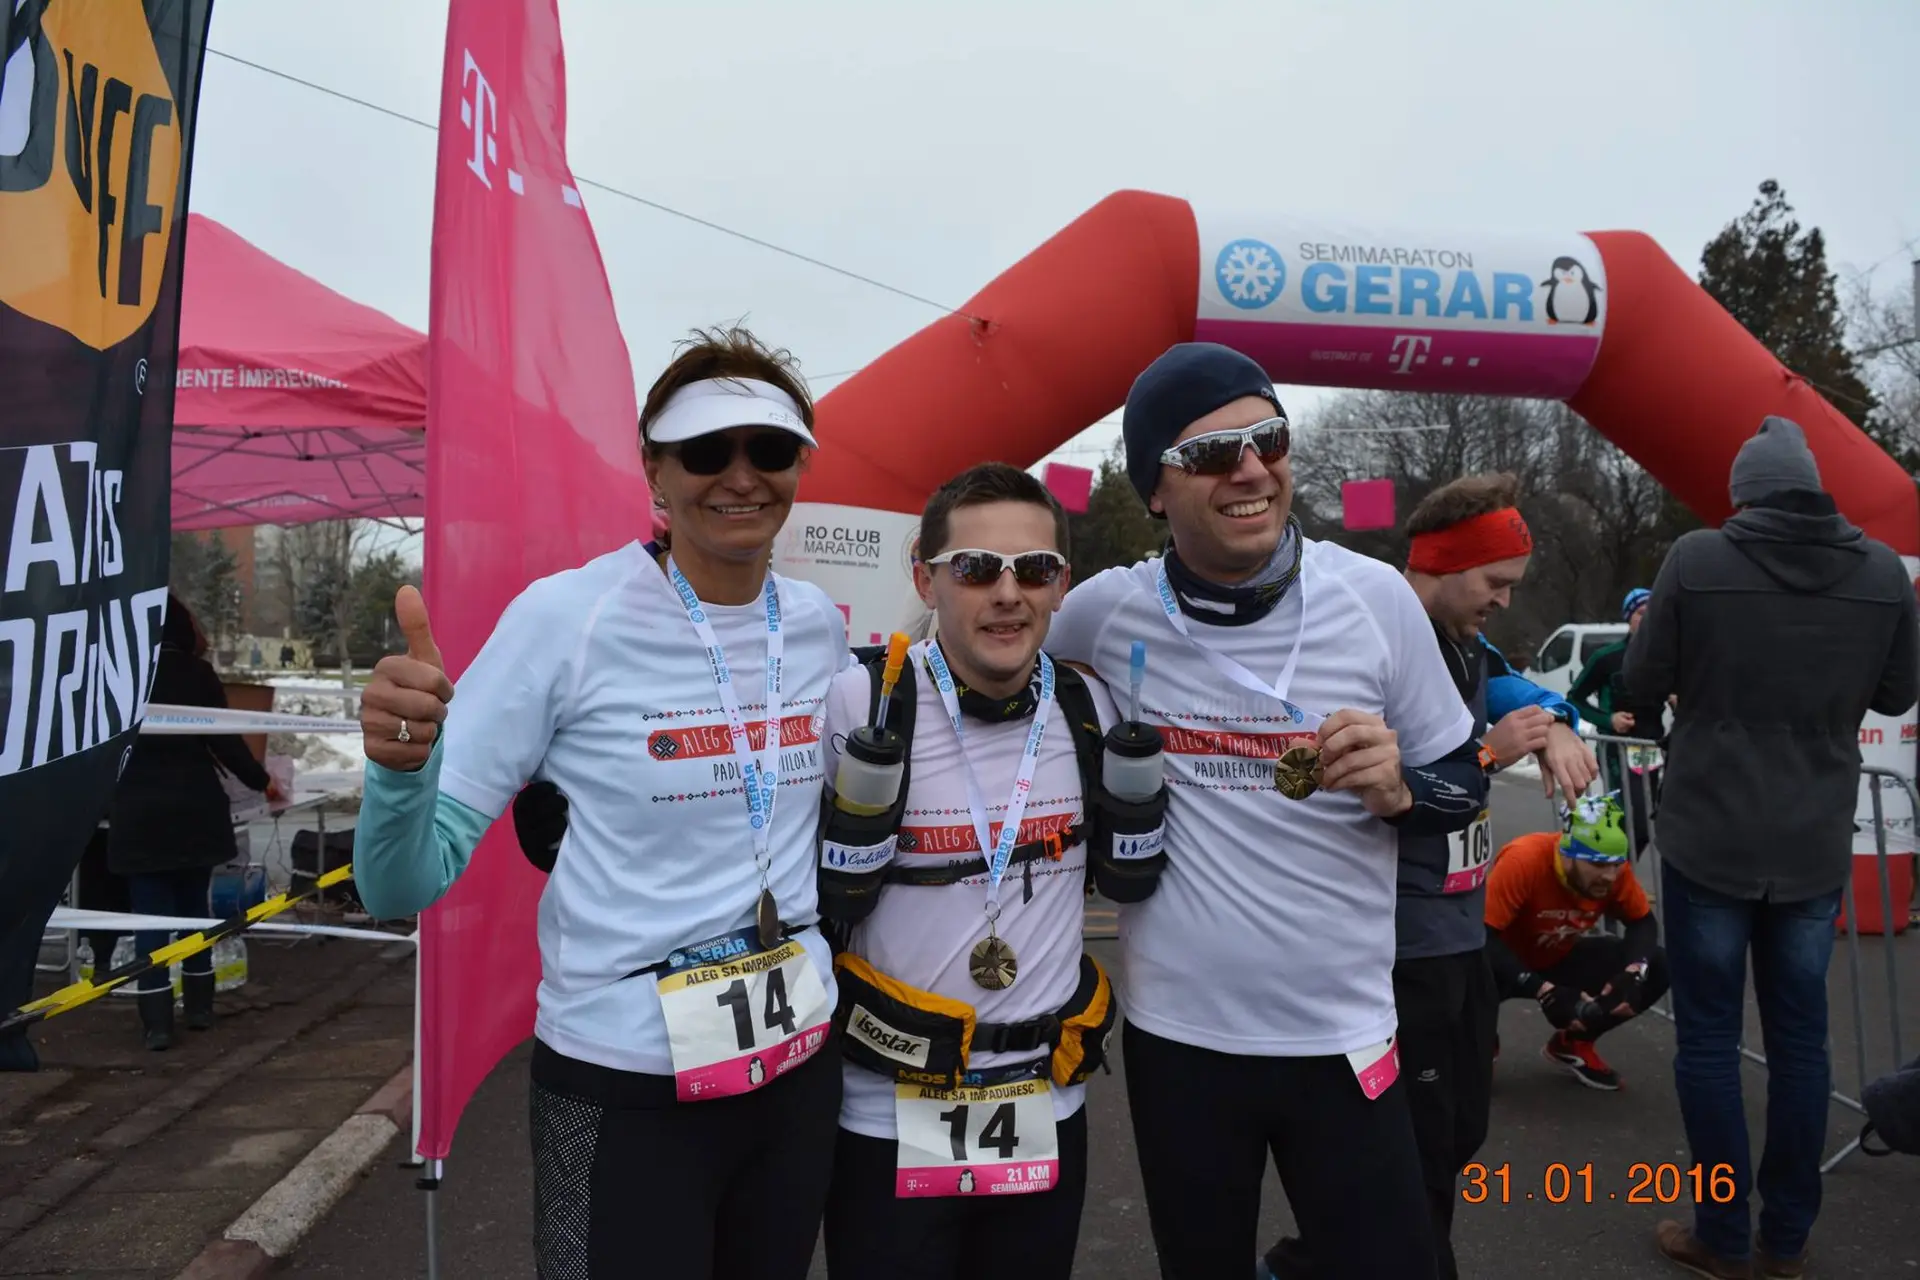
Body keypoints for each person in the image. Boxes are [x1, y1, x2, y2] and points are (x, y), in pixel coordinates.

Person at [353, 328, 851, 1279]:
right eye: (705, 451)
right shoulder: (566, 619)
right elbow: (397, 886)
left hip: (793, 1065)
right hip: (626, 1081)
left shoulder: (817, 625)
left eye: (770, 448)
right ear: (654, 471)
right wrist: (400, 774)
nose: (741, 475)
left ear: (798, 467)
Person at [1046, 342, 1488, 1280]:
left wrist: (1404, 790)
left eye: (1269, 439)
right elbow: (988, 662)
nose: (1250, 469)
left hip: (1346, 1037)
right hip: (1183, 1042)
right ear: (1154, 488)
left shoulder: (1373, 598)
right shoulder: (1102, 614)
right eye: (1211, 453)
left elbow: (1467, 781)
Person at [814, 463, 1156, 1279]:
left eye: (1033, 569)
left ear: (1062, 585)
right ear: (924, 580)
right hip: (888, 1113)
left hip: (1044, 1103)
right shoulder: (860, 702)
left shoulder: (1091, 709)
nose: (1008, 594)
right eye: (975, 569)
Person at [1264, 473, 1596, 1280]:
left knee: (1456, 1136)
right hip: (1396, 945)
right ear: (1445, 565)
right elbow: (1386, 780)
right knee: (1415, 1160)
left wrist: (1554, 723)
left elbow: (1510, 685)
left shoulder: (1462, 642)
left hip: (1459, 937)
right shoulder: (1372, 635)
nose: (1505, 601)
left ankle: (1311, 1262)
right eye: (1495, 583)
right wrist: (1490, 752)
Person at [1623, 416, 1919, 1278]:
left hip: (1708, 833)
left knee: (1710, 1042)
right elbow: (1898, 692)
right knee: (1800, 1042)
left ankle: (1721, 1236)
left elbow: (1642, 679)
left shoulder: (1698, 559)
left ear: (1745, 494)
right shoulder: (1880, 572)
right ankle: (1786, 1239)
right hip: (1812, 840)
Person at [107, 594, 278, 1051]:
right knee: (194, 915)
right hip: (194, 812)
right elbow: (226, 742)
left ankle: (157, 1024)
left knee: (150, 924)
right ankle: (200, 1008)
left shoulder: (119, 675)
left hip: (139, 816)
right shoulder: (198, 674)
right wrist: (262, 780)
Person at [1483, 793, 1667, 1090]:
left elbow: (1642, 923)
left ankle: (1573, 1043)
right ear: (1567, 854)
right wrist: (1542, 990)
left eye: (1615, 864)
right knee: (1462, 972)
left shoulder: (1614, 873)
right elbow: (1482, 936)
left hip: (1555, 956)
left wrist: (1633, 972)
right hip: (1499, 964)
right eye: (1597, 864)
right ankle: (1481, 1045)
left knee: (1657, 965)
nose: (1609, 876)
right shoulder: (1524, 859)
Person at [1569, 587, 1667, 851]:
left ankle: (1614, 868)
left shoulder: (1665, 657)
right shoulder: (1606, 658)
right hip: (1617, 750)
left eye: (1653, 613)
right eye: (1641, 613)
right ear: (1628, 617)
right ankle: (1602, 865)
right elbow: (1574, 699)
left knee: (1646, 823)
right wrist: (1609, 720)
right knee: (1633, 821)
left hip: (1651, 749)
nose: (1648, 619)